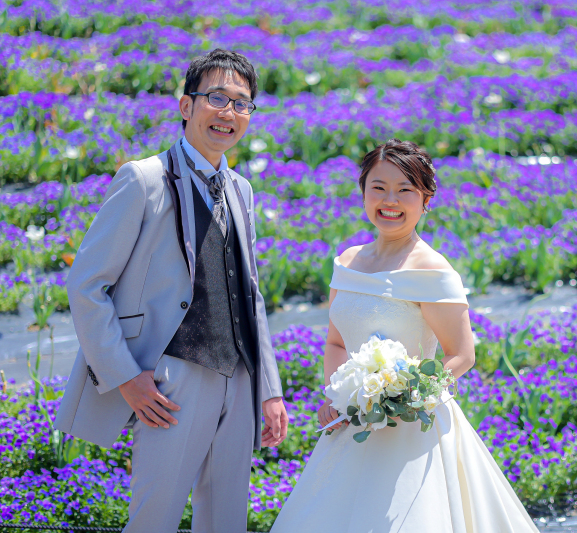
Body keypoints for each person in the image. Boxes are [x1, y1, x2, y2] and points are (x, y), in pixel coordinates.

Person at [53, 49, 288, 533]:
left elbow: (251, 295)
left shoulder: (241, 189)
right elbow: (86, 283)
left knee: (227, 522)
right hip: (170, 380)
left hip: (238, 377)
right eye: (216, 98)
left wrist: (268, 389)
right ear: (186, 106)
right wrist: (123, 374)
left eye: (241, 104)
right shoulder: (144, 179)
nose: (228, 113)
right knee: (153, 520)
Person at [270, 139, 539, 533]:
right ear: (363, 192)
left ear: (425, 199)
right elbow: (336, 343)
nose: (389, 200)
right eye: (378, 187)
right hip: (354, 422)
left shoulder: (431, 270)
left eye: (405, 190)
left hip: (415, 428)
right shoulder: (347, 262)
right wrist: (337, 394)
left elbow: (462, 354)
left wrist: (407, 395)